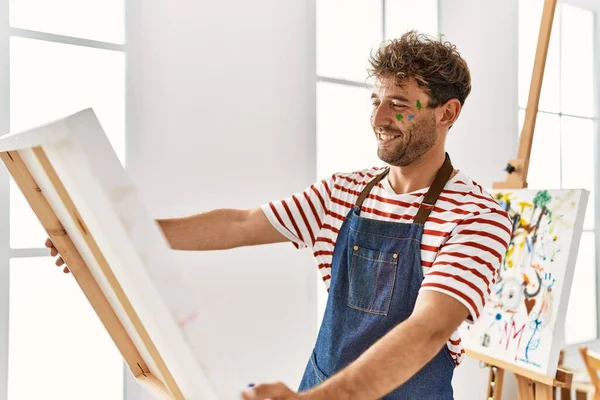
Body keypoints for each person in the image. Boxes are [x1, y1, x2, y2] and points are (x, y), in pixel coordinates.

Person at [46, 31, 512, 399]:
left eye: (399, 103)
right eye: (375, 100)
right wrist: (113, 233)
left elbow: (427, 330)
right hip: (320, 389)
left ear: (447, 112)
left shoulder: (476, 216)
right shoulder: (344, 191)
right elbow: (240, 224)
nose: (378, 118)